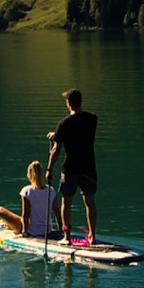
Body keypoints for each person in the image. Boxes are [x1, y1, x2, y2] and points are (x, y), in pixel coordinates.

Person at [46, 88, 97, 245]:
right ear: (80, 102)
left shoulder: (64, 123)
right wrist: (56, 135)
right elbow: (79, 132)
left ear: (68, 104)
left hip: (71, 168)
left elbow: (56, 149)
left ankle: (67, 237)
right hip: (89, 167)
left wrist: (49, 169)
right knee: (89, 201)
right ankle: (92, 237)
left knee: (66, 203)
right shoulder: (92, 119)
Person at [0, 161, 63, 238]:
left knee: (0, 210)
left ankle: (9, 225)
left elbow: (26, 214)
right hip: (47, 230)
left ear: (30, 175)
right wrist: (60, 230)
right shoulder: (51, 190)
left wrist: (25, 232)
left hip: (32, 231)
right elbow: (57, 212)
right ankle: (8, 225)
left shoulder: (27, 191)